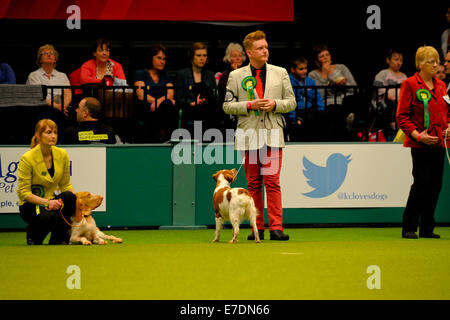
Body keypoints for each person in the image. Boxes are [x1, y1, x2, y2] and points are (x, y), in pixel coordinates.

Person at [223, 30, 296, 241]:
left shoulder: (280, 72)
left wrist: (275, 104)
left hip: (273, 134)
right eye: (260, 48)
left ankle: (276, 228)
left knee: (272, 182)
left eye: (266, 47)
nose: (265, 51)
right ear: (249, 52)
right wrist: (248, 105)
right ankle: (258, 228)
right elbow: (227, 106)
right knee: (253, 183)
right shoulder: (236, 76)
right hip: (249, 136)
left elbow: (291, 102)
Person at [396, 46, 450, 239]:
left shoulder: (442, 85)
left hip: (439, 143)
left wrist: (449, 126)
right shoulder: (410, 84)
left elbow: (447, 112)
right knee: (421, 183)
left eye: (437, 61)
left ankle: (428, 228)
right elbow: (402, 117)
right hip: (420, 143)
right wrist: (418, 136)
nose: (436, 65)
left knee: (436, 185)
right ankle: (409, 226)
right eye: (431, 62)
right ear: (420, 64)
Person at [17, 119, 77, 245]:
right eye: (49, 132)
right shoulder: (27, 158)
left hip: (52, 200)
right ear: (38, 135)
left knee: (70, 197)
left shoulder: (62, 154)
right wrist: (47, 202)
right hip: (30, 205)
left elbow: (65, 185)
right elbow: (24, 193)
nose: (53, 136)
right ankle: (33, 235)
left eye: (55, 132)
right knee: (50, 216)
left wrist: (78, 201)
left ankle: (59, 238)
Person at [308, 44, 357, 141]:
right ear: (317, 61)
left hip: (347, 99)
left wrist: (343, 84)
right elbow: (320, 95)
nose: (326, 58)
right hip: (330, 103)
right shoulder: (313, 74)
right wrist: (327, 76)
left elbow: (354, 87)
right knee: (334, 112)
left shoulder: (341, 68)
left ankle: (349, 123)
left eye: (327, 54)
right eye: (322, 56)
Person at [176, 42, 220, 137]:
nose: (202, 58)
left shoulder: (210, 74)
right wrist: (191, 103)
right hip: (190, 110)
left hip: (207, 111)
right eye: (198, 55)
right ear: (192, 57)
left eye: (204, 55)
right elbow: (178, 99)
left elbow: (214, 97)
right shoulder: (182, 74)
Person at [134, 44, 177, 142]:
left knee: (168, 103)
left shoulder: (166, 75)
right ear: (151, 58)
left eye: (164, 59)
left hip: (163, 109)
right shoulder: (141, 73)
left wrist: (158, 102)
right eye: (159, 58)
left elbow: (170, 94)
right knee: (167, 103)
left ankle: (167, 137)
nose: (162, 61)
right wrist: (157, 101)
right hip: (147, 108)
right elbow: (141, 95)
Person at [286, 57, 325, 141]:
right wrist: (294, 118)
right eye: (301, 69)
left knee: (318, 124)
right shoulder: (288, 81)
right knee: (298, 131)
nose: (305, 71)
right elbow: (289, 101)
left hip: (309, 110)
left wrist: (321, 110)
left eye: (305, 68)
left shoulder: (310, 81)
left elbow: (317, 96)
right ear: (293, 70)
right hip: (296, 111)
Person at [26, 44, 72, 116]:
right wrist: (57, 106)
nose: (48, 55)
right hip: (42, 108)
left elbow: (68, 94)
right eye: (45, 53)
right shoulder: (33, 75)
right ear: (40, 60)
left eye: (51, 53)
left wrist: (63, 106)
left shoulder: (62, 76)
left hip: (61, 108)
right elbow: (39, 96)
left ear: (55, 59)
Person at [373, 49, 407, 141]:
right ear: (388, 60)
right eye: (396, 60)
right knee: (391, 102)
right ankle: (393, 125)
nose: (399, 63)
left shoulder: (404, 76)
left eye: (401, 60)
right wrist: (392, 94)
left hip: (401, 103)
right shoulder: (383, 74)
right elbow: (378, 89)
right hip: (384, 105)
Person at [218, 43, 246, 131]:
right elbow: (225, 93)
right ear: (229, 58)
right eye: (234, 56)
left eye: (240, 55)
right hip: (230, 114)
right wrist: (236, 73)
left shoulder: (247, 73)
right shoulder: (225, 75)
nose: (238, 58)